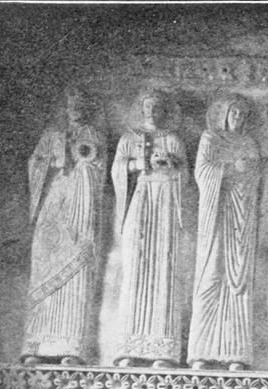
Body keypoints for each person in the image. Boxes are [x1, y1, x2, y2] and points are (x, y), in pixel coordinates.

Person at [21, 89, 106, 366]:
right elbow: (35, 164)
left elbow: (99, 168)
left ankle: (71, 345)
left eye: (82, 105)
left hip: (80, 207)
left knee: (78, 268)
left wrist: (84, 165)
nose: (77, 109)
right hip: (53, 202)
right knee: (44, 265)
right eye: (72, 105)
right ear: (66, 108)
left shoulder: (93, 134)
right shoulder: (51, 135)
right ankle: (36, 342)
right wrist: (53, 161)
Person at [112, 88, 188, 369]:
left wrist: (171, 165)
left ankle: (162, 350)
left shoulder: (173, 140)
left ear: (165, 111)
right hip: (142, 199)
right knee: (135, 266)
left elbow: (185, 177)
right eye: (147, 106)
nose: (152, 112)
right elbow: (117, 171)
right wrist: (142, 163)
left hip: (165, 203)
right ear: (141, 109)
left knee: (164, 268)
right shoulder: (128, 139)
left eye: (157, 107)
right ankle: (129, 347)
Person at [187, 96, 264, 371]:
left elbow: (254, 178)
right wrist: (232, 168)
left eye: (243, 114)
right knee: (211, 273)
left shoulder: (249, 144)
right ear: (224, 114)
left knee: (238, 279)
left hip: (240, 214)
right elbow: (202, 171)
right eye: (234, 113)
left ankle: (236, 353)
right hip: (216, 212)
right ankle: (200, 352)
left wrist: (248, 172)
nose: (238, 118)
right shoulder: (210, 138)